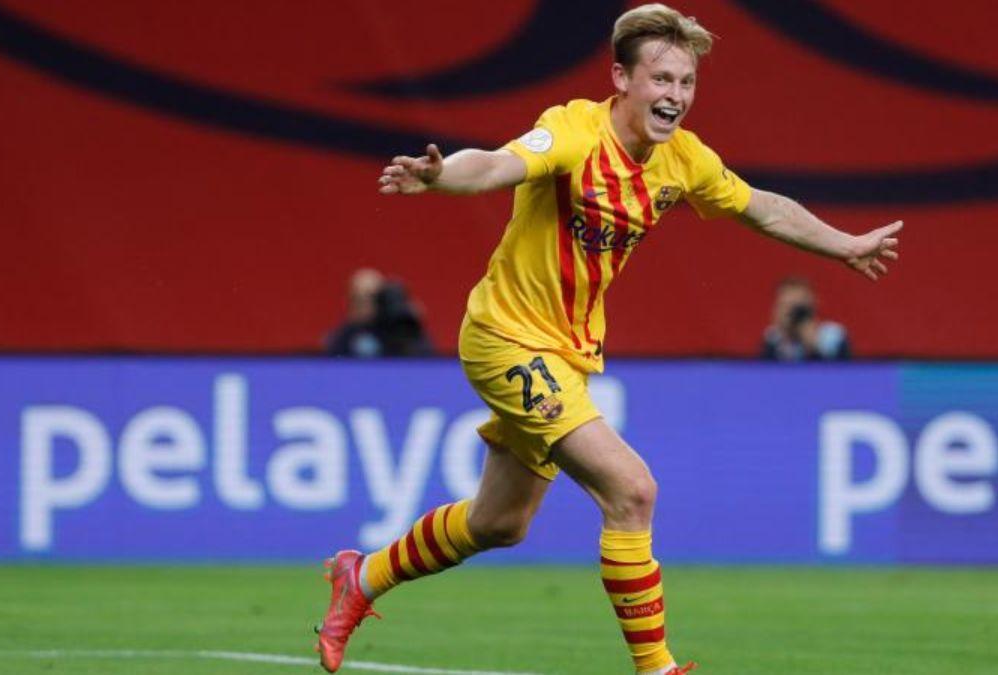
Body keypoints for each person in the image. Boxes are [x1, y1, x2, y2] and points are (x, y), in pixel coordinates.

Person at [315, 4, 900, 673]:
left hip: (565, 355)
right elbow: (498, 164)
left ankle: (361, 577)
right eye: (662, 78)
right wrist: (440, 175)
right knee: (632, 490)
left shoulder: (683, 160)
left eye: (686, 81)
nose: (676, 95)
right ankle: (657, 667)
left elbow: (762, 206)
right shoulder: (573, 132)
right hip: (505, 338)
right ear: (621, 78)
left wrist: (844, 244)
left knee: (499, 523)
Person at [325, 268, 433, 357]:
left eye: (372, 298)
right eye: (359, 299)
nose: (366, 304)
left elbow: (425, 361)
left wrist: (412, 325)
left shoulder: (400, 329)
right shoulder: (346, 335)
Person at [759, 277, 850, 361]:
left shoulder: (832, 336)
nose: (792, 314)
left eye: (797, 307)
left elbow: (845, 369)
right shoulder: (772, 339)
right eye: (786, 305)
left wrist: (814, 346)